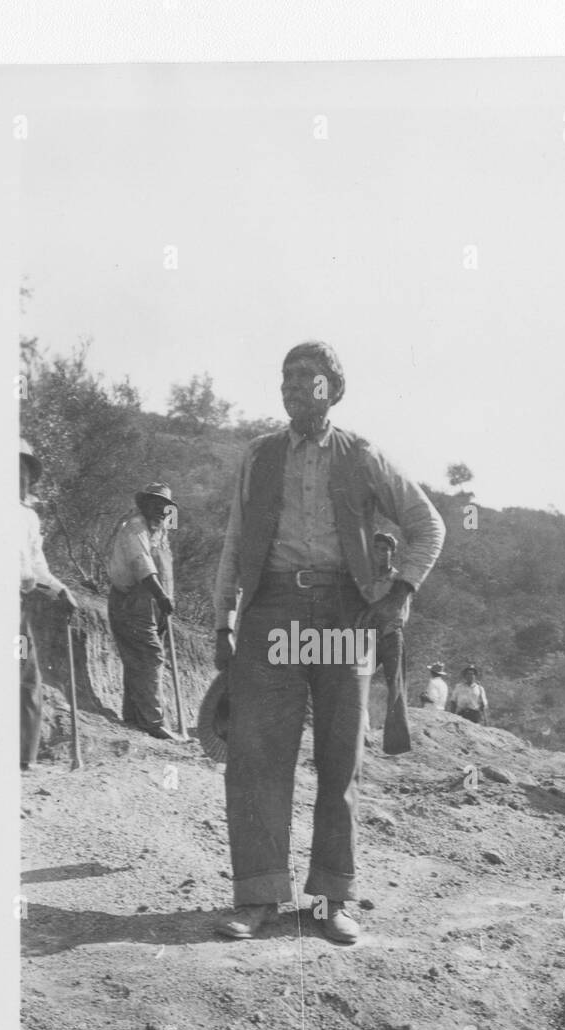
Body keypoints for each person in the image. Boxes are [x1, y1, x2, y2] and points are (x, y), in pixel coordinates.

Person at [213, 340, 445, 945]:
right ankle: (259, 897)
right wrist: (221, 621)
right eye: (285, 376)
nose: (292, 387)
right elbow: (236, 542)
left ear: (333, 389)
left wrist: (398, 592)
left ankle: (330, 901)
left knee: (341, 756)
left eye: (307, 378)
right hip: (271, 613)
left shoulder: (362, 455)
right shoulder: (258, 456)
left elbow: (427, 525)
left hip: (345, 614)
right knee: (259, 755)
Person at [19, 439, 78, 770]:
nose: (19, 477)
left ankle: (23, 758)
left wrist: (59, 590)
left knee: (25, 679)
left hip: (17, 605)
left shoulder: (27, 516)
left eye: (24, 470)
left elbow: (35, 566)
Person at [107, 483, 180, 740]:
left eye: (165, 505)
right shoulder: (135, 527)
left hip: (152, 604)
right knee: (150, 657)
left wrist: (166, 599)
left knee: (138, 660)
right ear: (144, 503)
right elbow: (142, 565)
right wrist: (161, 595)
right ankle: (153, 722)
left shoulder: (159, 531)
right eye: (156, 503)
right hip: (131, 601)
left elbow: (165, 567)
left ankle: (134, 717)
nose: (161, 509)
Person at [371, 531, 411, 753]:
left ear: (392, 553)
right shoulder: (365, 577)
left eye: (385, 549)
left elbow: (400, 611)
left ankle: (396, 745)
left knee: (395, 687)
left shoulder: (399, 579)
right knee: (353, 681)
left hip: (390, 636)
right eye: (376, 548)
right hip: (365, 636)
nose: (380, 553)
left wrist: (386, 628)